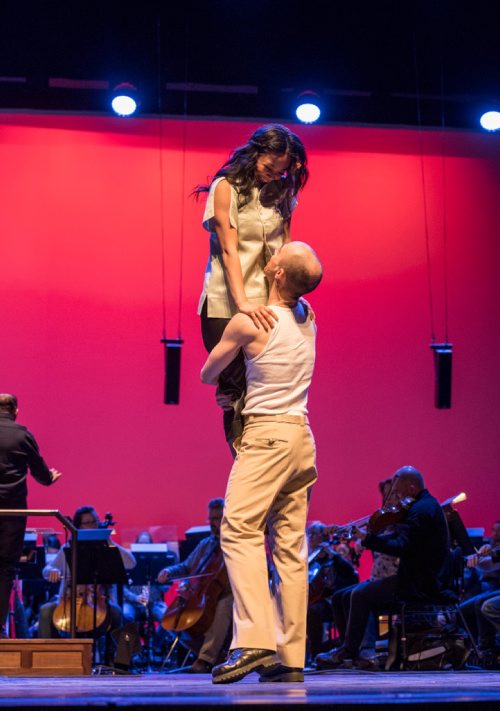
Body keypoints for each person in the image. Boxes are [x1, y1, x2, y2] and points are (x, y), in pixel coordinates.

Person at [201, 240, 323, 683]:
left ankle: (253, 640)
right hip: (301, 438)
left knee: (239, 528)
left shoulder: (249, 324)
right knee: (290, 545)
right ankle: (290, 657)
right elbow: (296, 283)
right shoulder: (308, 317)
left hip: (267, 436)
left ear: (275, 273)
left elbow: (207, 373)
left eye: (276, 255)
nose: (269, 254)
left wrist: (236, 321)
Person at [195, 124, 308, 450]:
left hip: (269, 303)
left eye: (282, 170)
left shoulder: (283, 192)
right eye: (269, 167)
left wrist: (293, 297)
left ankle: (270, 462)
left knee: (266, 389)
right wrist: (242, 302)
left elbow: (285, 249)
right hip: (225, 303)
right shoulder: (226, 187)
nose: (275, 175)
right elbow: (229, 249)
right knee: (236, 394)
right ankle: (246, 465)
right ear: (255, 152)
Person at [315, 466, 450, 669]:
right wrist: (369, 537)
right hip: (413, 577)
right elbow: (401, 539)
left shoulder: (421, 511)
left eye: (398, 493)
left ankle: (350, 651)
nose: (397, 499)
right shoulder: (420, 507)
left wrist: (368, 539)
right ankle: (351, 651)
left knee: (360, 594)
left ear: (412, 488)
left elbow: (401, 547)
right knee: (339, 596)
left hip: (419, 583)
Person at [0, 393, 62, 637]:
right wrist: (50, 478)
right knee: (5, 568)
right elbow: (41, 473)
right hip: (12, 512)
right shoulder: (23, 435)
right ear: (16, 411)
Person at [38, 505, 136, 655]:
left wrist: (107, 539)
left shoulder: (108, 549)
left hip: (99, 603)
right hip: (68, 602)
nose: (94, 525)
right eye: (88, 522)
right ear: (78, 526)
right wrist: (52, 570)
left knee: (117, 613)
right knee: (46, 611)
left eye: (95, 521)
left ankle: (115, 662)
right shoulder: (69, 548)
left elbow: (131, 562)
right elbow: (46, 570)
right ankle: (46, 657)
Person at [157, 498, 233, 673]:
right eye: (212, 519)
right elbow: (186, 566)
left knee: (225, 605)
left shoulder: (235, 543)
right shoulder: (206, 544)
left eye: (218, 518)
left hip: (231, 593)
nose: (214, 523)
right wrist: (169, 571)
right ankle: (215, 656)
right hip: (206, 593)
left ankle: (205, 659)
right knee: (172, 620)